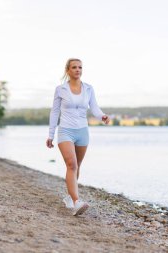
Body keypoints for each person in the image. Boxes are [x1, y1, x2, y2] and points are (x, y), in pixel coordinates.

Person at [46, 58, 110, 216]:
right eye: (74, 67)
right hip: (65, 131)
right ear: (68, 70)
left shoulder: (88, 88)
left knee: (76, 167)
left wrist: (102, 116)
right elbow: (54, 112)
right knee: (72, 164)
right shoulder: (60, 89)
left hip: (82, 131)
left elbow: (94, 108)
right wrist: (50, 134)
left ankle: (69, 196)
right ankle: (76, 202)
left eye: (80, 67)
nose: (77, 70)